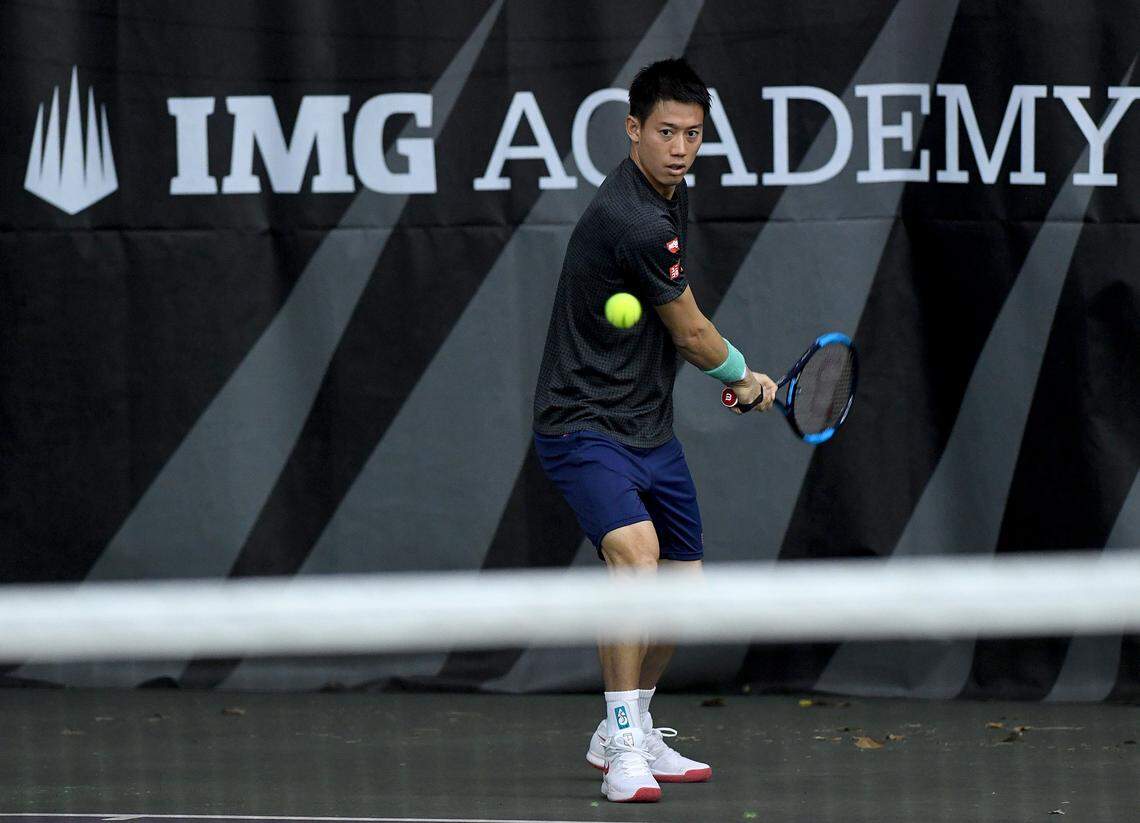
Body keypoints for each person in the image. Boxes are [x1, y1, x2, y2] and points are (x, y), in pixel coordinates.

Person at [531, 57, 777, 804]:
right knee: (635, 557)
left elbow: (674, 331)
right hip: (581, 424)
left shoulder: (671, 196)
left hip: (646, 424)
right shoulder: (633, 216)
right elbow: (695, 333)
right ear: (633, 129)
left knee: (681, 586)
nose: (679, 147)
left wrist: (719, 372)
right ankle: (619, 748)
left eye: (693, 134)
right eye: (665, 131)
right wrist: (741, 375)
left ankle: (627, 726)